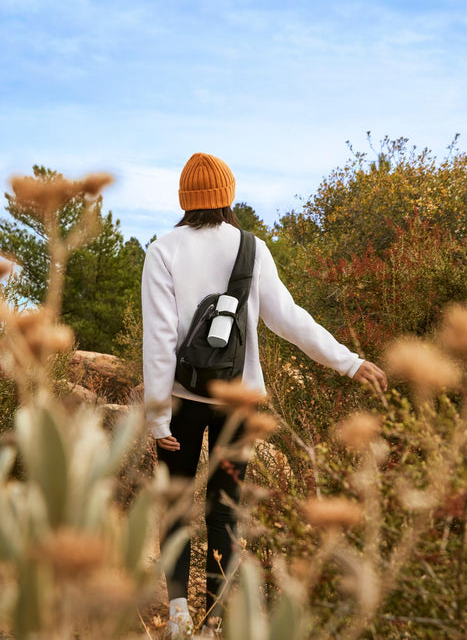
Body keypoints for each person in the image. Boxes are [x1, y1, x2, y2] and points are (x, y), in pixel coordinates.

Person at [142, 152, 387, 638]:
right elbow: (291, 321)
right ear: (228, 196)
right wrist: (350, 362)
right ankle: (212, 623)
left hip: (181, 400)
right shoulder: (252, 249)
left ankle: (176, 617)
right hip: (239, 405)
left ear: (185, 200)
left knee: (174, 505)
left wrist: (156, 415)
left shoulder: (162, 250)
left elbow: (159, 337)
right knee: (225, 508)